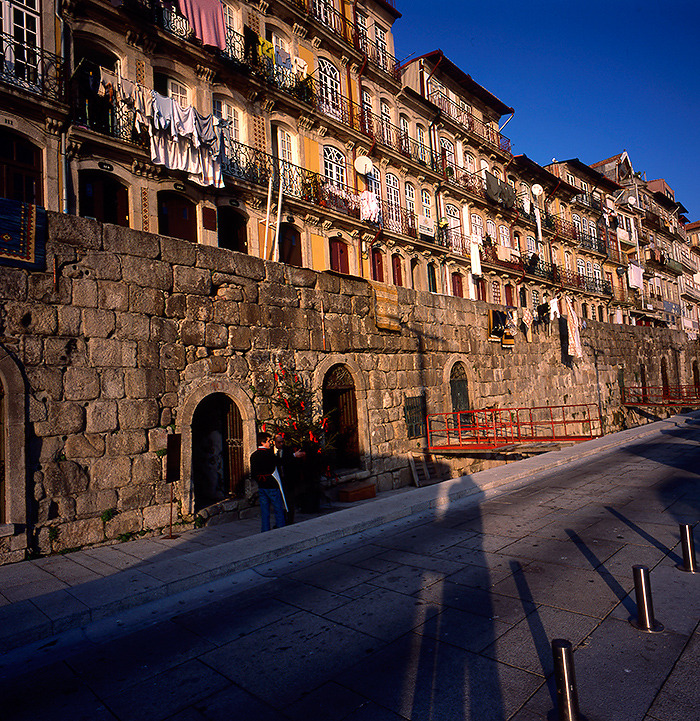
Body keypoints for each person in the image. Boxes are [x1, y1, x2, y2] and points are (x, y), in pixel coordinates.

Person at [250, 432, 286, 532]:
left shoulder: (254, 455)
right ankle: (280, 526)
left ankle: (265, 529)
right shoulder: (268, 454)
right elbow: (280, 462)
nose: (270, 443)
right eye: (268, 441)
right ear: (263, 442)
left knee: (264, 510)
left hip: (262, 485)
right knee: (278, 508)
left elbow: (253, 473)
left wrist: (259, 480)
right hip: (271, 484)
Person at [274, 432, 305, 525]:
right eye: (279, 442)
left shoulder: (288, 451)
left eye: (282, 442)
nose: (281, 444)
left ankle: (289, 519)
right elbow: (278, 462)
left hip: (287, 479)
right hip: (276, 480)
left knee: (289, 500)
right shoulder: (271, 452)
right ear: (274, 442)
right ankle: (280, 520)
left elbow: (288, 462)